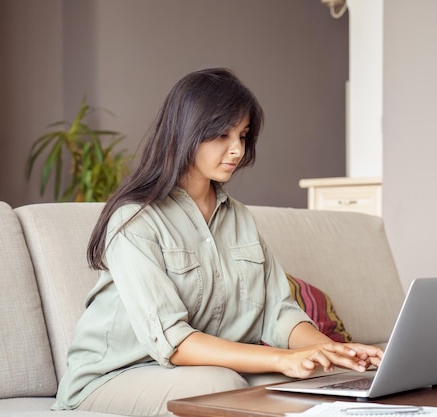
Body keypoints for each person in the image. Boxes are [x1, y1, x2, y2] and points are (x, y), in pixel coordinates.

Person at [52, 68, 383, 416]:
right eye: (222, 135)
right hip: (112, 378)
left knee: (316, 383)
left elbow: (280, 313)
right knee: (221, 387)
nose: (237, 149)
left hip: (202, 373)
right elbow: (173, 341)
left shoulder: (239, 218)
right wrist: (283, 358)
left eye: (243, 135)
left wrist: (330, 351)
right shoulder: (135, 220)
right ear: (186, 133)